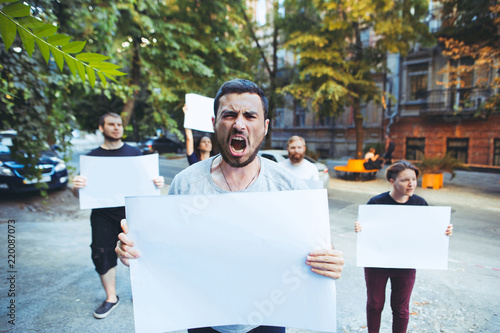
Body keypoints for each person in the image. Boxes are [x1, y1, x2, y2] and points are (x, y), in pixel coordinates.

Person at [116, 79, 345, 333]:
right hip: (202, 318)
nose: (239, 123)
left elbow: (319, 250)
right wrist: (136, 252)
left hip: (268, 320)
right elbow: (164, 249)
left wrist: (330, 261)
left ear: (265, 126)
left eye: (250, 115)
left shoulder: (289, 188)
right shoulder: (186, 183)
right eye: (229, 115)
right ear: (214, 123)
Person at [73, 112, 165, 319]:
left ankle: (140, 294)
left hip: (132, 212)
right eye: (111, 124)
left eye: (119, 124)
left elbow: (148, 183)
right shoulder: (92, 158)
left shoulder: (135, 153)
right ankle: (111, 298)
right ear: (101, 127)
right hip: (102, 215)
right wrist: (76, 186)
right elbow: (80, 192)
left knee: (138, 253)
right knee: (102, 253)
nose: (117, 128)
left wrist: (157, 183)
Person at [354, 160, 453, 333]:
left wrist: (444, 231)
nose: (411, 184)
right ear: (392, 181)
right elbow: (366, 231)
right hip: (377, 263)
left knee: (401, 308)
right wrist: (360, 228)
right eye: (405, 180)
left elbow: (428, 232)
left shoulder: (420, 204)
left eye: (414, 179)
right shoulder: (376, 203)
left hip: (406, 263)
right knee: (375, 304)